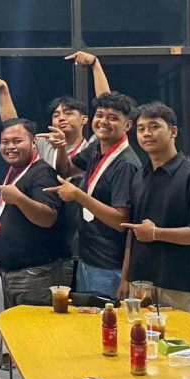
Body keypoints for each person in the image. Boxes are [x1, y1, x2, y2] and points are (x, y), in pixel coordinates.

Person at [0, 119, 72, 379]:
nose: (10, 146)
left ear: (34, 144)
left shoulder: (42, 173)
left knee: (43, 350)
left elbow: (48, 217)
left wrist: (19, 198)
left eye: (17, 141)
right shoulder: (17, 171)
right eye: (5, 141)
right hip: (17, 272)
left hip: (39, 274)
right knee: (26, 348)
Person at [46, 91, 141, 298]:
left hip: (109, 264)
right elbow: (66, 170)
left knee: (104, 317)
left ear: (127, 125)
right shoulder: (96, 147)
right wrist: (61, 147)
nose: (103, 121)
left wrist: (78, 195)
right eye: (100, 115)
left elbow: (121, 221)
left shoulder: (125, 163)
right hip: (88, 256)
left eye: (113, 118)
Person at [120, 102, 190, 315]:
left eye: (154, 126)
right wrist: (125, 277)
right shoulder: (140, 176)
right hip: (140, 282)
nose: (146, 133)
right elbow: (133, 231)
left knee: (180, 336)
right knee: (137, 335)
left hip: (180, 285)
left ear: (173, 131)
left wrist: (156, 233)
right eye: (141, 129)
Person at [0, 51, 111, 168]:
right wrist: (3, 90)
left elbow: (107, 108)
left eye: (68, 113)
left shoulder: (92, 146)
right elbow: (13, 127)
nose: (61, 118)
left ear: (84, 119)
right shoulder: (43, 143)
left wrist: (95, 65)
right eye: (56, 115)